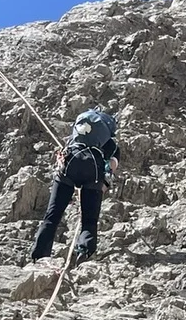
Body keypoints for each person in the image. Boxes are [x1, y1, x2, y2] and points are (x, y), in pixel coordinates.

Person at [29, 108, 120, 266]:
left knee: (52, 216)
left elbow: (63, 157)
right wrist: (103, 184)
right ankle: (84, 251)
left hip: (68, 170)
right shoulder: (111, 144)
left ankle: (39, 254)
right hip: (93, 174)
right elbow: (110, 167)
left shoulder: (76, 135)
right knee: (89, 220)